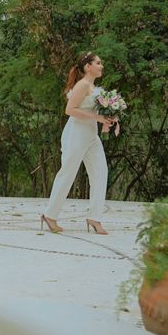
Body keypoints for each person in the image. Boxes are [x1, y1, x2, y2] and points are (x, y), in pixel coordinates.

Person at [41, 51, 114, 235]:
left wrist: (107, 117)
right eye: (98, 63)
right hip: (76, 134)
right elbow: (69, 110)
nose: (101, 66)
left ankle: (94, 218)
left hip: (91, 135)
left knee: (100, 172)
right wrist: (97, 117)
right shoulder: (82, 85)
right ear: (88, 67)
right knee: (68, 173)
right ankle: (50, 215)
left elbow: (93, 111)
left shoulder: (95, 87)